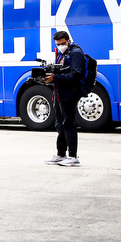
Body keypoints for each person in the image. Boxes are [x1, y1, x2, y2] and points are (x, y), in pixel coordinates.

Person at [44, 30, 86, 167]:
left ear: (68, 41)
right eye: (58, 44)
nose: (61, 46)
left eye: (63, 43)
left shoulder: (75, 53)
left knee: (69, 124)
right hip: (59, 93)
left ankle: (73, 156)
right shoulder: (63, 54)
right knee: (60, 124)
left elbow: (76, 75)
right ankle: (61, 154)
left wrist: (55, 77)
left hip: (70, 94)